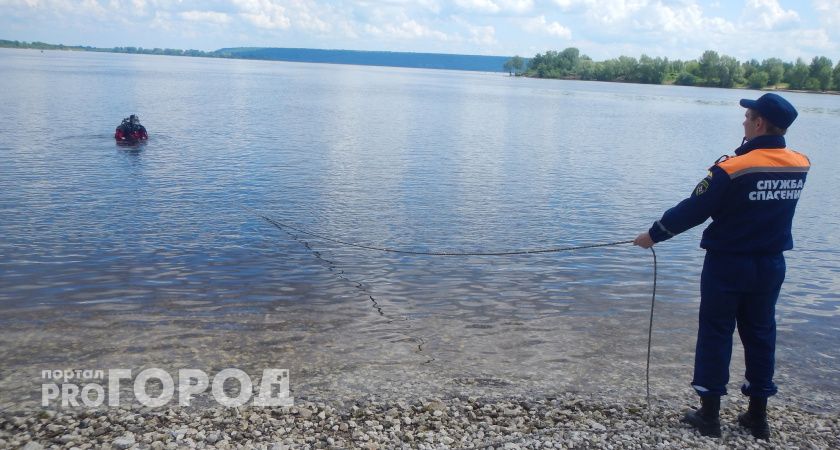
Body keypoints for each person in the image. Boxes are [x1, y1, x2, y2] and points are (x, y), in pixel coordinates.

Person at [633, 93, 809, 440]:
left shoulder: (732, 168)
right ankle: (757, 418)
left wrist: (654, 235)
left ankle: (709, 416)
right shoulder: (799, 163)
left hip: (729, 263)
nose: (743, 121)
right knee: (761, 334)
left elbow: (693, 209)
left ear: (759, 123)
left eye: (748, 116)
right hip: (771, 265)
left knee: (716, 332)